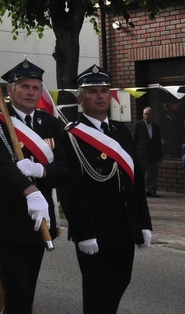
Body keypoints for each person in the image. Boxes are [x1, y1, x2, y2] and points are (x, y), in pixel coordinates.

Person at [56, 65, 152, 314]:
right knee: (97, 289)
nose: (100, 96)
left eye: (104, 91)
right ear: (80, 98)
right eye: (92, 91)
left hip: (124, 226)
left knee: (121, 280)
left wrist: (144, 222)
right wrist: (83, 232)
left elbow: (136, 180)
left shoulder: (120, 131)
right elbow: (70, 190)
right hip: (95, 229)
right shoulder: (70, 136)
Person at [0, 58, 67, 314]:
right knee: (16, 287)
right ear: (10, 90)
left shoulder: (50, 123)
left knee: (27, 286)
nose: (30, 92)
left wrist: (41, 170)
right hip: (5, 217)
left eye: (35, 87)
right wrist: (29, 191)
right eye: (24, 86)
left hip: (38, 219)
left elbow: (64, 168)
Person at [132, 107, 163, 198]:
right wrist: (133, 154)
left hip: (153, 154)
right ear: (143, 115)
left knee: (153, 173)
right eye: (145, 114)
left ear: (152, 115)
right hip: (141, 154)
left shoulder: (156, 126)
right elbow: (133, 140)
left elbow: (158, 142)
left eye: (149, 114)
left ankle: (151, 191)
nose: (147, 116)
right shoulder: (138, 125)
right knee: (140, 174)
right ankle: (139, 191)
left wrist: (160, 155)